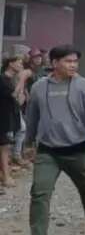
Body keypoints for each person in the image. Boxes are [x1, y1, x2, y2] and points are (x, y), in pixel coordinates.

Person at [25, 45, 85, 233]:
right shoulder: (39, 87)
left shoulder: (83, 86)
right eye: (68, 61)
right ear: (54, 63)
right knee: (39, 193)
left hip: (77, 149)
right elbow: (32, 117)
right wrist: (29, 143)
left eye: (75, 62)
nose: (73, 65)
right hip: (48, 151)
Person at [0, 56, 25, 188]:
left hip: (10, 116)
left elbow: (19, 100)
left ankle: (5, 174)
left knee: (5, 146)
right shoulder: (3, 79)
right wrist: (22, 79)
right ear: (10, 63)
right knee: (4, 147)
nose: (21, 65)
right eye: (19, 62)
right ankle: (6, 177)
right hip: (2, 118)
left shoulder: (11, 80)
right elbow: (14, 95)